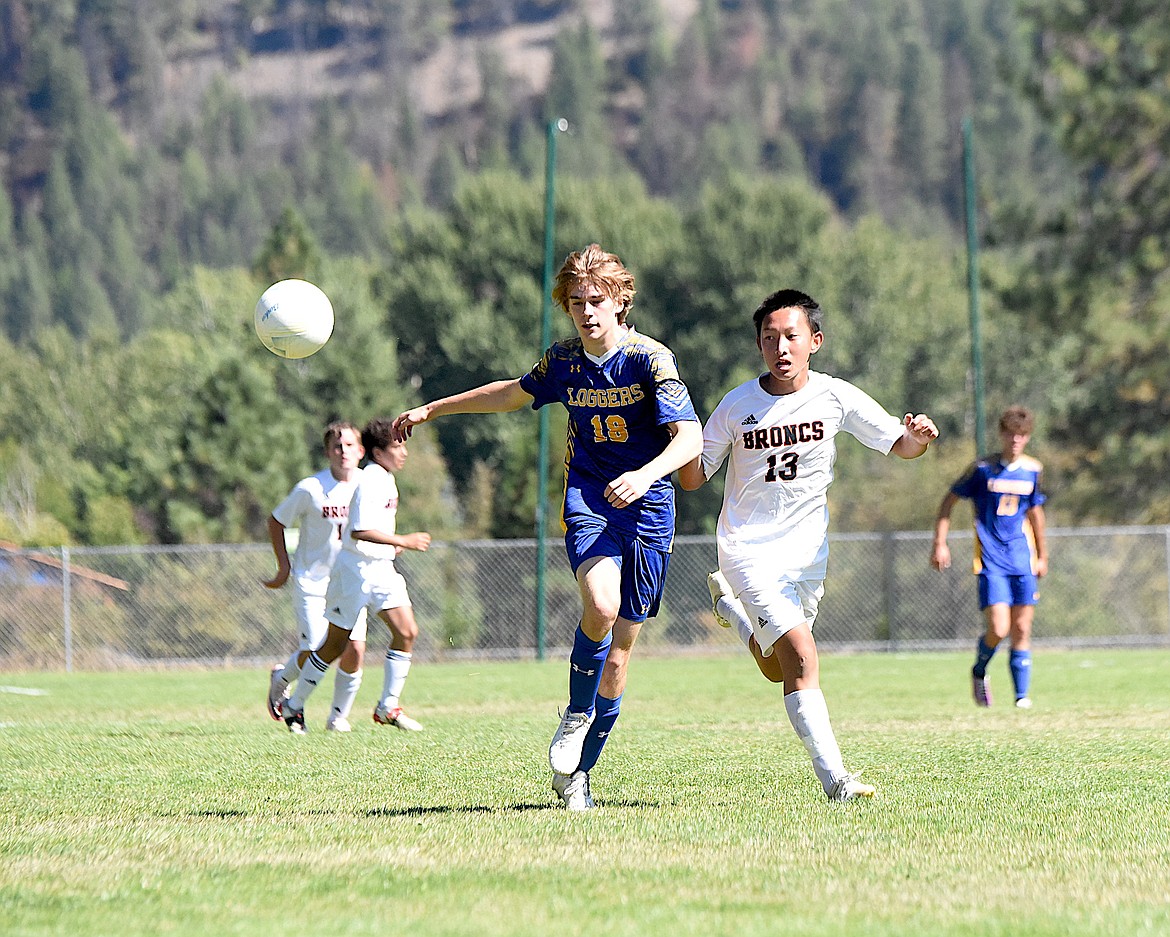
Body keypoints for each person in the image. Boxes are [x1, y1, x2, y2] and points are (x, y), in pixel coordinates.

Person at [392, 243, 702, 810]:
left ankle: (579, 773)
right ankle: (576, 711)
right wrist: (433, 409)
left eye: (597, 301)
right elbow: (511, 394)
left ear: (620, 302)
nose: (586, 312)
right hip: (589, 495)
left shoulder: (652, 359)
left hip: (650, 504)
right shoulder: (563, 361)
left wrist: (646, 473)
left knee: (619, 655)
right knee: (600, 606)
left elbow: (690, 438)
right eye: (576, 302)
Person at [679, 288, 939, 802]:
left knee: (780, 667)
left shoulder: (835, 396)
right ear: (759, 346)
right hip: (748, 549)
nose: (780, 347)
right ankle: (836, 781)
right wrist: (671, 436)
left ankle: (732, 615)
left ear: (814, 341)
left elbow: (899, 444)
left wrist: (921, 437)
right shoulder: (736, 405)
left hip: (807, 556)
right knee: (803, 656)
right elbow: (693, 478)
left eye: (791, 337)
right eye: (769, 338)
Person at [279, 418, 432, 734]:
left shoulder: (387, 478)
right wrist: (402, 540)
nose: (403, 453)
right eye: (397, 446)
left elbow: (376, 526)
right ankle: (293, 707)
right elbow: (359, 530)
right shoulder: (372, 480)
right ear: (378, 452)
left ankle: (388, 707)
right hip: (354, 571)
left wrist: (392, 546)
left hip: (381, 569)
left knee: (407, 632)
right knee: (334, 646)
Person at [930, 405, 1048, 709]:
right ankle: (979, 670)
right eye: (1010, 433)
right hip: (991, 561)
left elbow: (1036, 513)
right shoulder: (983, 469)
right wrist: (940, 543)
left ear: (1028, 437)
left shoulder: (1033, 470)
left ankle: (1022, 697)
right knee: (999, 628)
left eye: (1021, 435)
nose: (1015, 440)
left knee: (1022, 628)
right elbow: (948, 501)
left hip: (1022, 558)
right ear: (1001, 434)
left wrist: (1043, 555)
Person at [264, 421, 366, 732]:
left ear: (361, 451)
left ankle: (338, 717)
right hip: (313, 581)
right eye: (337, 446)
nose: (343, 451)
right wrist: (284, 567)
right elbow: (276, 521)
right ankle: (283, 682)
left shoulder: (368, 484)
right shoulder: (310, 488)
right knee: (317, 647)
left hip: (350, 580)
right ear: (327, 452)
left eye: (349, 445)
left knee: (355, 649)